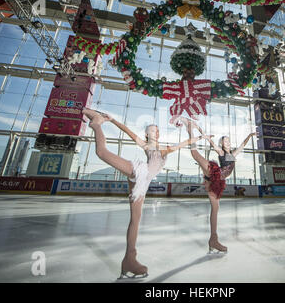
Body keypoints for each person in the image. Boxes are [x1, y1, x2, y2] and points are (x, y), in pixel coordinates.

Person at [82, 108, 207, 279]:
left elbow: (179, 145)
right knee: (101, 152)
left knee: (135, 220)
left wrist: (199, 137)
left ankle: (129, 260)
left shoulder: (160, 147)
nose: (151, 132)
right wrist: (112, 120)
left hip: (143, 182)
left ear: (158, 133)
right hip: (140, 171)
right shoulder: (147, 145)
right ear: (147, 135)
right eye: (148, 131)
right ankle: (96, 124)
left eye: (154, 130)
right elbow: (128, 131)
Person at [181, 117, 257, 253]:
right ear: (221, 144)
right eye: (224, 140)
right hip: (215, 172)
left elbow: (242, 145)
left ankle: (213, 239)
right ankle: (189, 131)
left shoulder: (233, 154)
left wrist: (250, 135)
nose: (227, 142)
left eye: (228, 140)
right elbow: (212, 144)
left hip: (216, 181)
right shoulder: (221, 152)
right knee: (195, 154)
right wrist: (204, 135)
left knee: (215, 208)